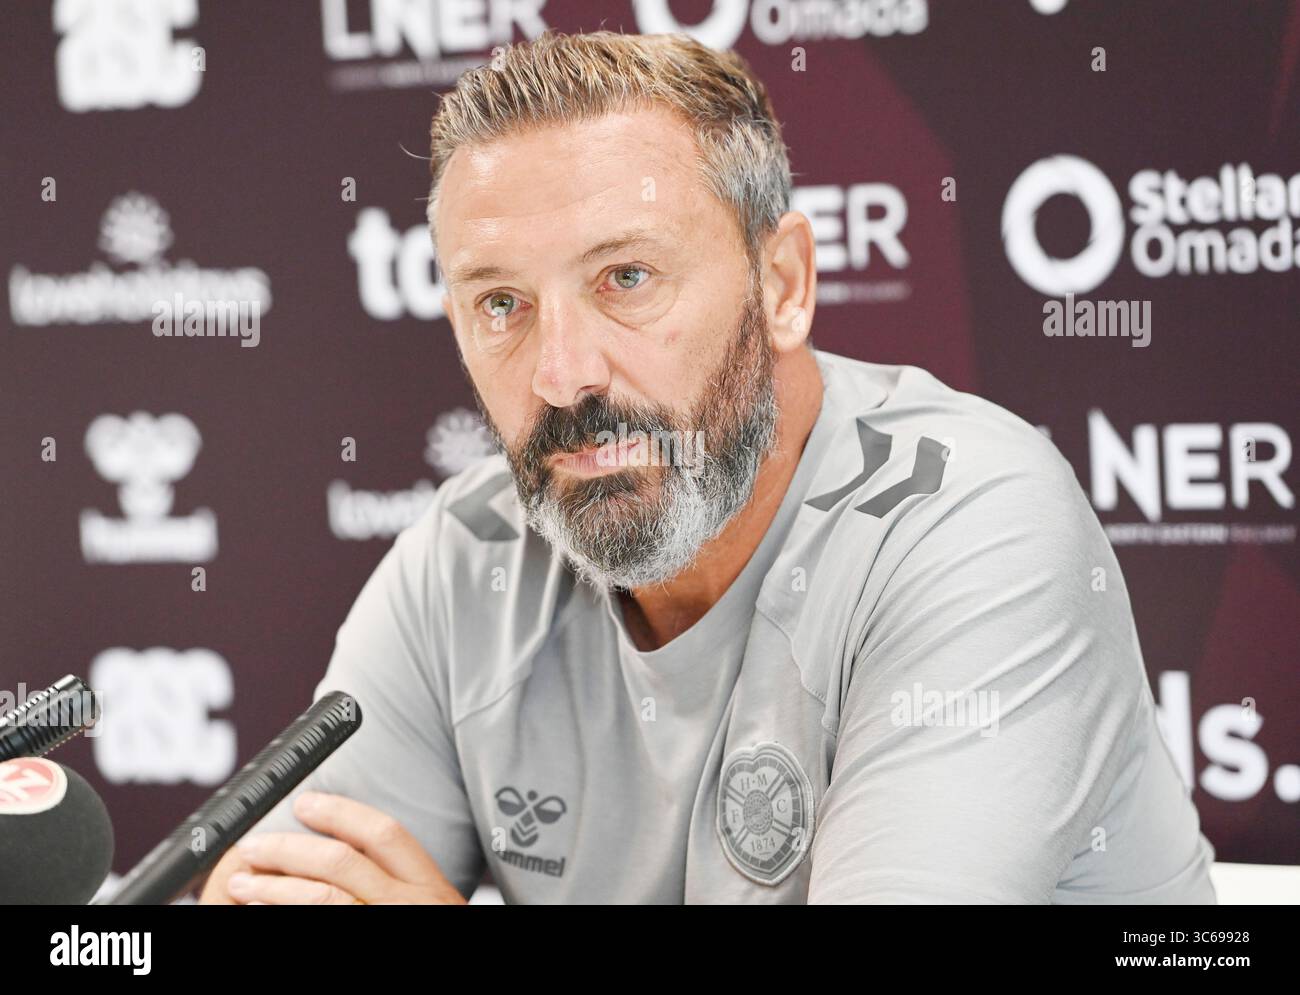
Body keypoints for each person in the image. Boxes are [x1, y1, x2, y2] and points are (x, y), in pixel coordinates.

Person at [200, 30, 1216, 904]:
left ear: (781, 284)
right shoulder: (463, 559)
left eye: (626, 277)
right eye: (500, 303)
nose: (562, 375)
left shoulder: (972, 524)